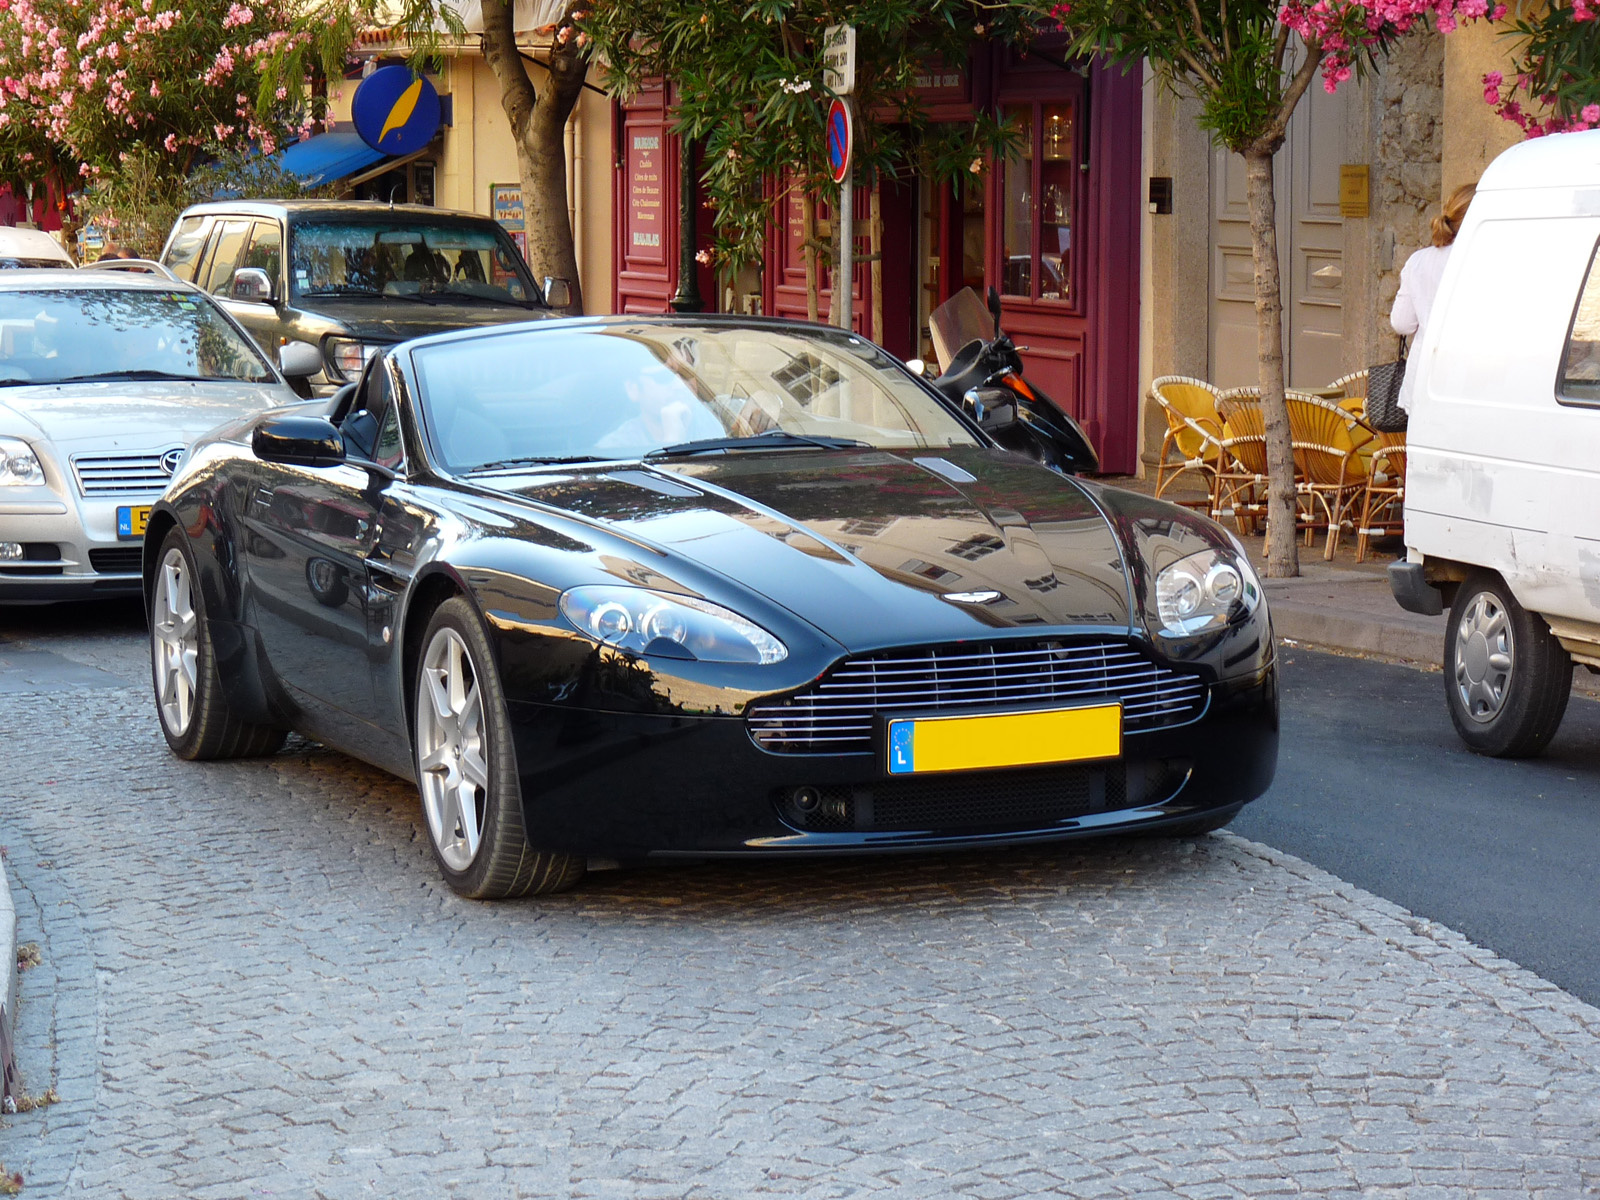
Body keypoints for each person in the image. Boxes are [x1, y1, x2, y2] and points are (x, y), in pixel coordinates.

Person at [1391, 182, 1475, 412]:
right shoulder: (1480, 260)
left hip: (1422, 377)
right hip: (1467, 379)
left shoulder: (1418, 261)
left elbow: (1402, 323)